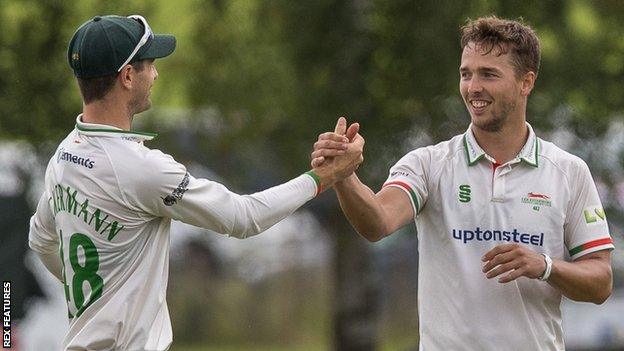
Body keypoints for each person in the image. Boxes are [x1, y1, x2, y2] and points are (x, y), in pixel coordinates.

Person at [28, 14, 363, 351]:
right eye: (150, 64)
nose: (156, 74)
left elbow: (41, 239)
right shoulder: (142, 169)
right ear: (128, 76)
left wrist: (93, 294)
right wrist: (323, 178)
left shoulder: (64, 156)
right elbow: (243, 217)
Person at [312, 16, 614, 350]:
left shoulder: (568, 171)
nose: (472, 88)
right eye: (465, 73)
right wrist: (344, 177)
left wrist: (543, 266)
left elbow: (600, 283)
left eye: (488, 74)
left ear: (526, 82)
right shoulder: (429, 164)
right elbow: (377, 222)